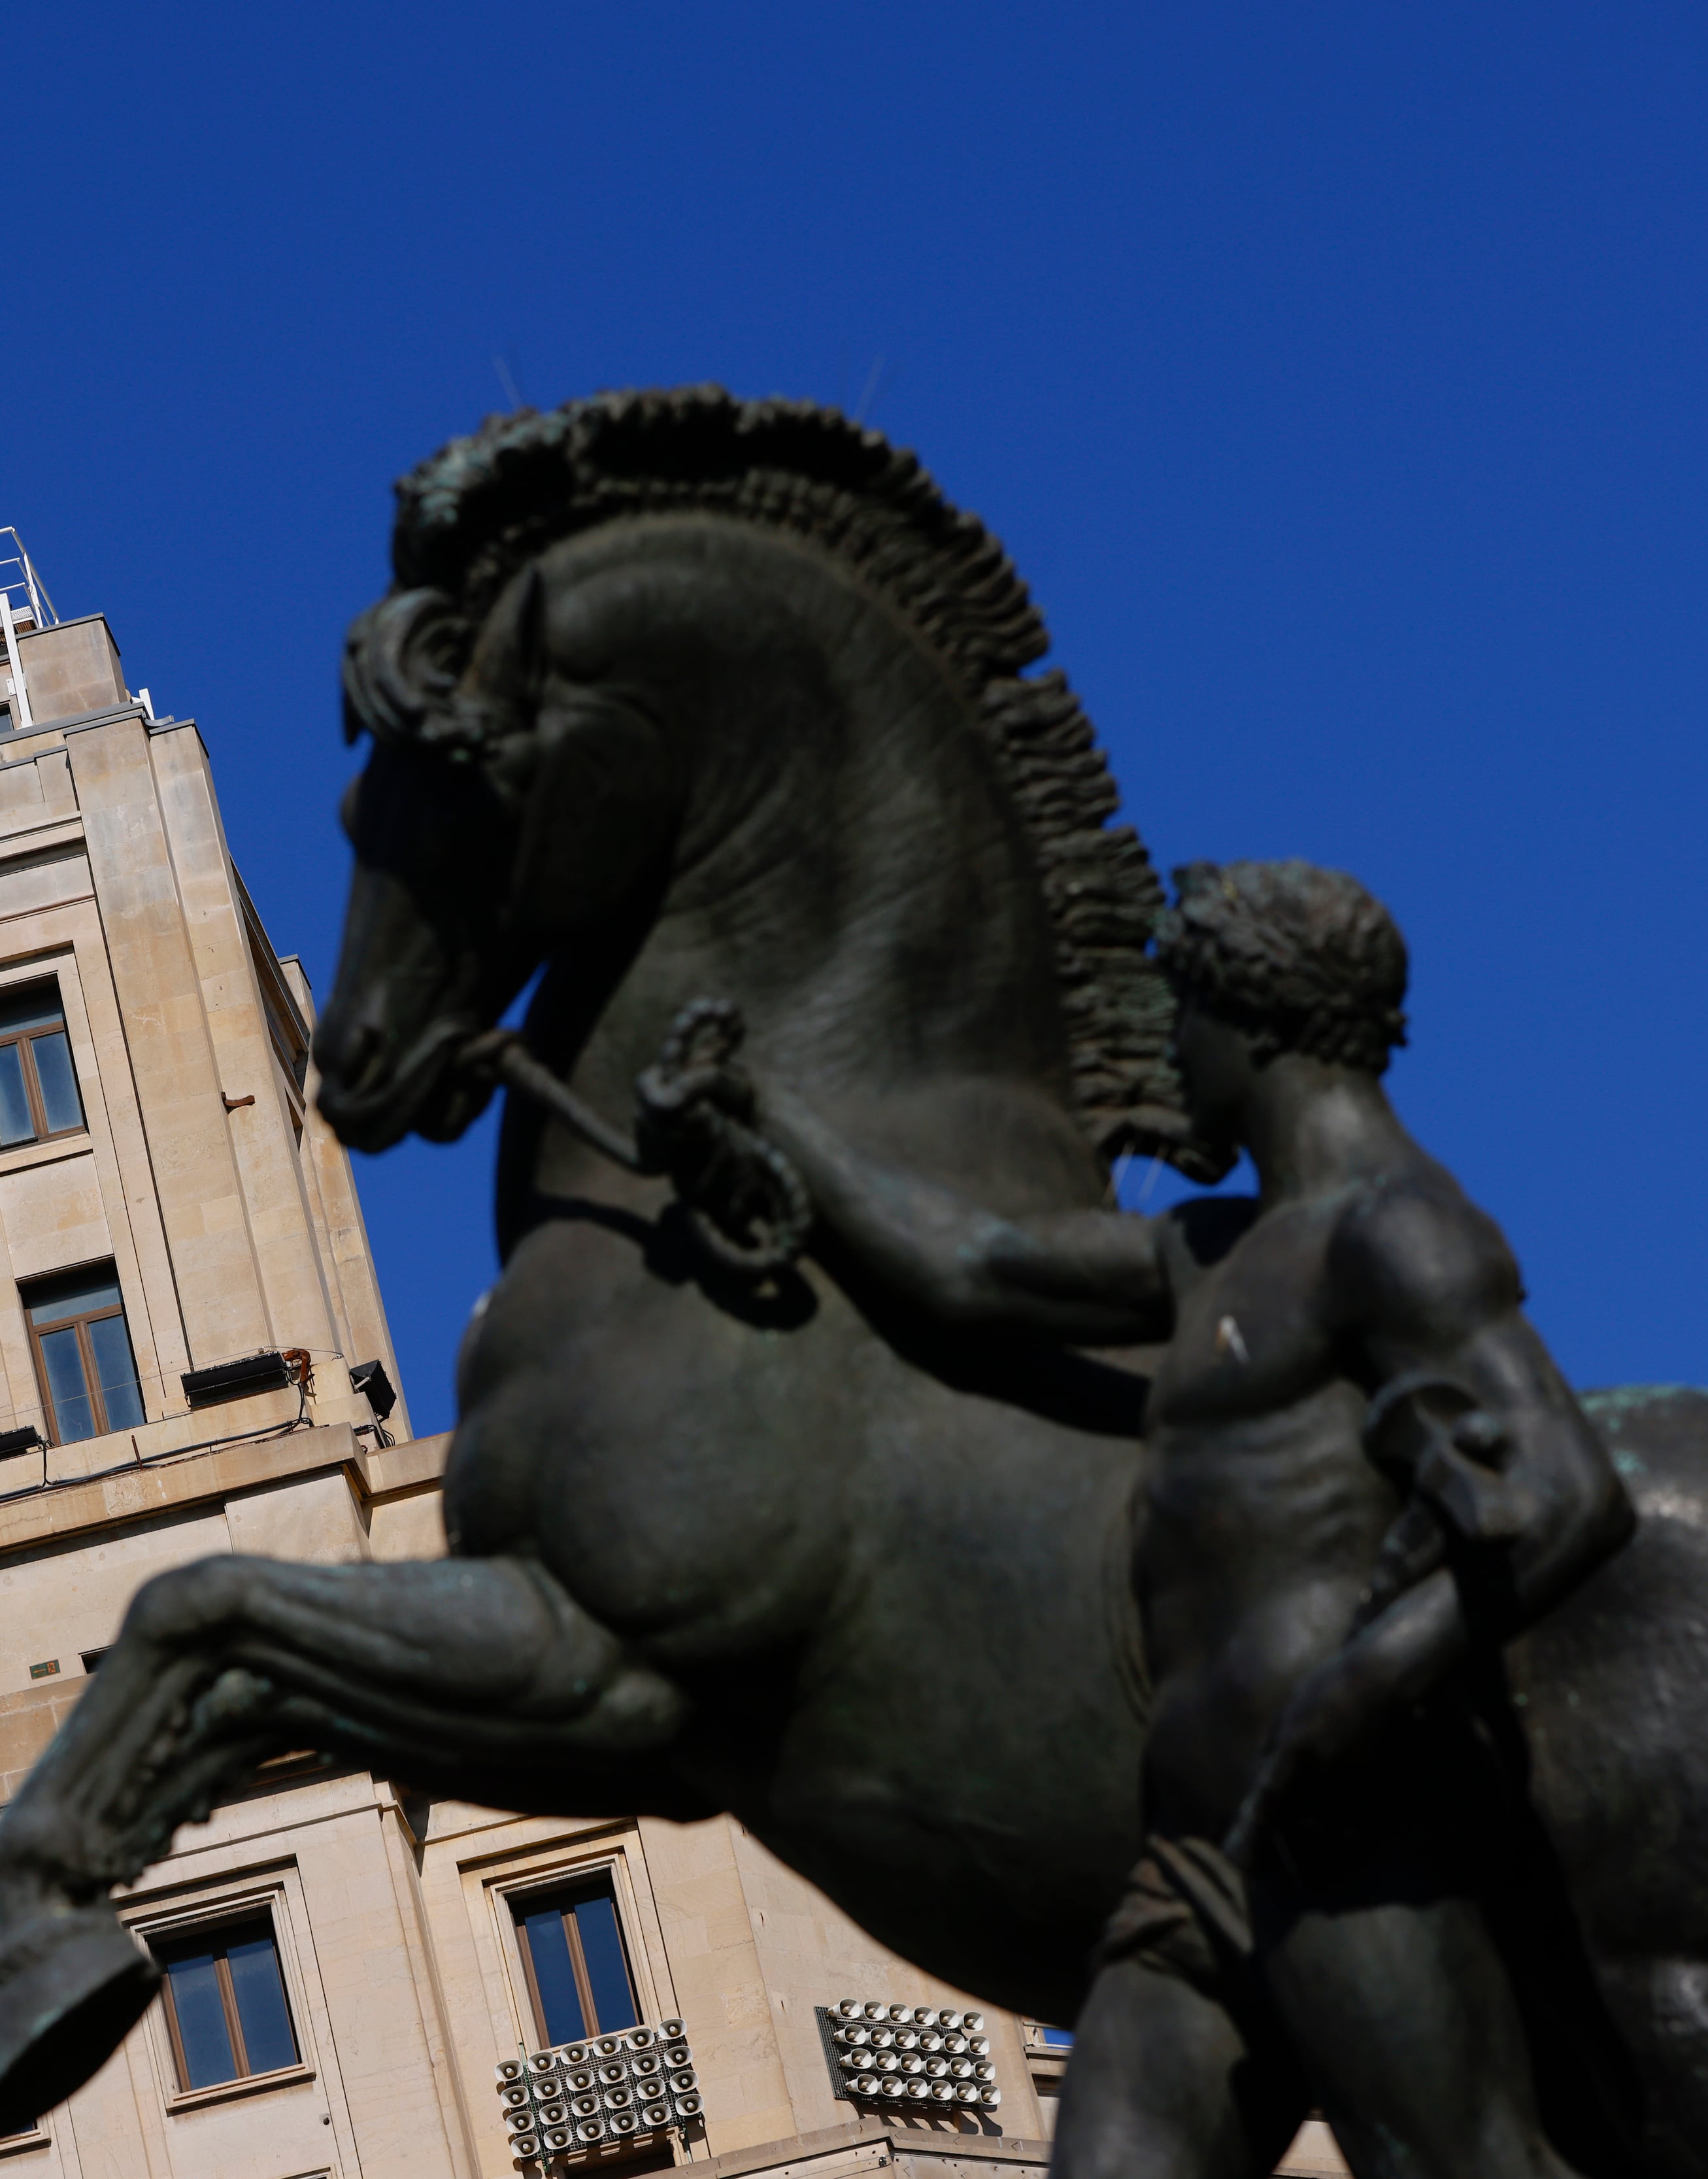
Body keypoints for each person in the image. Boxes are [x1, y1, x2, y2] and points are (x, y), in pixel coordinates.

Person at [641, 860, 1632, 2179]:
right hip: (1190, 1858)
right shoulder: (1215, 1248)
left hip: (1351, 1827)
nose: (1175, 1052)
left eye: (1188, 1017)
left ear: (1257, 1018)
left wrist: (1358, 1691)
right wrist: (760, 1111)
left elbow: (1566, 1490)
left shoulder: (1395, 1231)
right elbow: (975, 1265)